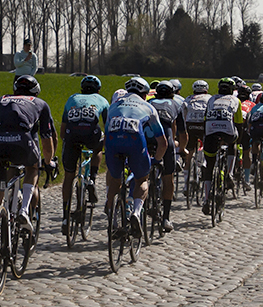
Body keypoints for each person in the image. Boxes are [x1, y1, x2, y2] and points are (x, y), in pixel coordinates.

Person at [0, 75, 57, 273]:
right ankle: (24, 210)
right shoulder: (40, 103)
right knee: (33, 168)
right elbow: (46, 138)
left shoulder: (1, 99)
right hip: (21, 141)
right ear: (36, 91)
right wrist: (48, 161)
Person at [103, 77, 166, 235]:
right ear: (145, 94)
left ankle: (112, 220)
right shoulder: (148, 107)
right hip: (134, 140)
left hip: (112, 141)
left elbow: (106, 132)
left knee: (115, 182)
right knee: (141, 179)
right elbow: (162, 142)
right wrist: (156, 160)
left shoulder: (113, 106)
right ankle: (136, 212)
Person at [59, 75, 109, 236]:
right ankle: (92, 178)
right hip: (91, 135)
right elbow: (107, 128)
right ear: (98, 90)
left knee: (68, 176)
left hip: (72, 136)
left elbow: (62, 131)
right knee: (98, 148)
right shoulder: (102, 100)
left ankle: (65, 216)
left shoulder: (72, 99)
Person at [147, 80, 187, 232]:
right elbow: (182, 133)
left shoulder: (149, 102)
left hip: (147, 138)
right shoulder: (176, 104)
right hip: (166, 142)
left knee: (141, 176)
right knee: (168, 178)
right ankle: (166, 218)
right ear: (172, 94)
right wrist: (182, 149)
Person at [200, 77, 243, 215]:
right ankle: (229, 172)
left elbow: (205, 117)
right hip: (228, 132)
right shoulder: (236, 100)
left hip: (210, 131)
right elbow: (239, 122)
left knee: (210, 165)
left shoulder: (211, 99)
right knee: (233, 143)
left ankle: (206, 199)